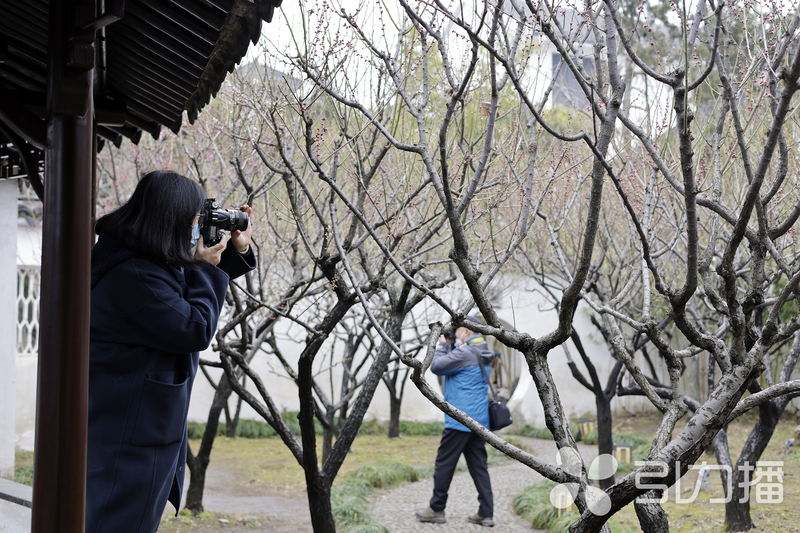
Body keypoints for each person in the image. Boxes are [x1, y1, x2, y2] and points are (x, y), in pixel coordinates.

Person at [85, 170, 256, 533]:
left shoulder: (138, 256)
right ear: (171, 220)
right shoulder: (133, 274)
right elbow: (192, 326)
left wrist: (230, 254)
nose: (197, 230)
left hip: (137, 428)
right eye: (195, 222)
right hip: (127, 441)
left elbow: (178, 290)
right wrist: (207, 268)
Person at [415, 316, 496, 527]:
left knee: (444, 465)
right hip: (478, 421)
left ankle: (436, 509)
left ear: (467, 332)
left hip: (459, 420)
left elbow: (438, 366)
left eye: (458, 330)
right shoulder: (481, 351)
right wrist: (451, 346)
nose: (455, 334)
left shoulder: (466, 351)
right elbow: (456, 368)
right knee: (479, 467)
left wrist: (442, 345)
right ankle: (486, 513)